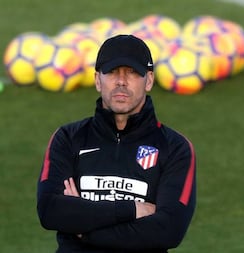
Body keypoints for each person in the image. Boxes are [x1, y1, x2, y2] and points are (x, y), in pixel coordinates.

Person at [37, 34, 196, 253]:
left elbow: (168, 230)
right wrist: (132, 210)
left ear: (149, 80)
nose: (121, 81)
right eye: (112, 72)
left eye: (132, 72)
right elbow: (50, 211)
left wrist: (84, 229)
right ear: (97, 80)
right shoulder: (68, 138)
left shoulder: (176, 148)